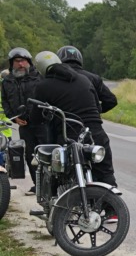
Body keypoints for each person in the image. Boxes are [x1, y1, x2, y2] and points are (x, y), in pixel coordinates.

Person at [29, 52, 118, 187]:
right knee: (106, 174)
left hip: (69, 135)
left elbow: (35, 118)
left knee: (58, 175)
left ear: (40, 69)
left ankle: (57, 198)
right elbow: (97, 105)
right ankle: (112, 200)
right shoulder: (84, 79)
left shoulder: (43, 86)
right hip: (96, 133)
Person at [1, 48, 42, 190]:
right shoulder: (7, 81)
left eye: (23, 61)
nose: (20, 64)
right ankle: (37, 185)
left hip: (42, 123)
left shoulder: (38, 77)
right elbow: (5, 102)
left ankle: (51, 186)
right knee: (29, 156)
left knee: (45, 154)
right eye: (17, 61)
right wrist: (14, 119)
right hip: (23, 125)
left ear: (28, 62)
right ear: (12, 63)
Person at [57, 46, 119, 113]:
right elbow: (111, 100)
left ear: (58, 60)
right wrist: (95, 111)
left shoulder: (54, 76)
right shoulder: (94, 78)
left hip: (62, 117)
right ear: (80, 59)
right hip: (88, 118)